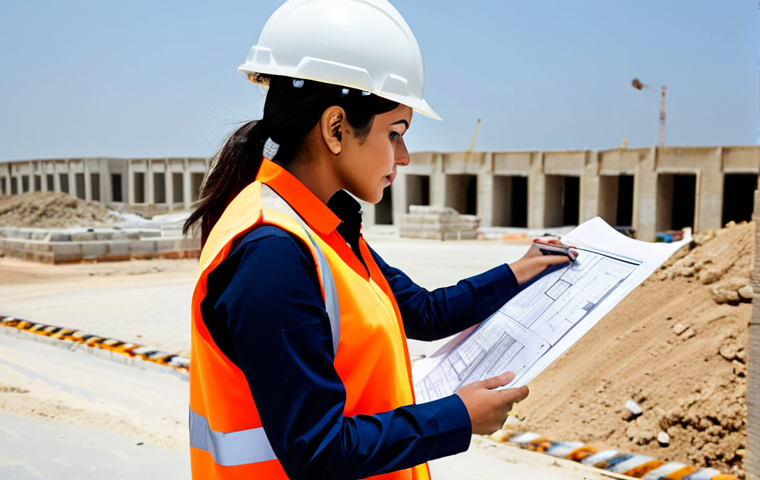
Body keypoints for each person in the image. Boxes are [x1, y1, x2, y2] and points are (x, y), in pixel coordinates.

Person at [183, 1, 572, 479]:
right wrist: (457, 418)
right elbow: (318, 451)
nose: (404, 155)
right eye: (396, 132)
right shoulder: (272, 254)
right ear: (336, 128)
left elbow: (425, 312)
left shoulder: (324, 232)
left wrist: (522, 269)